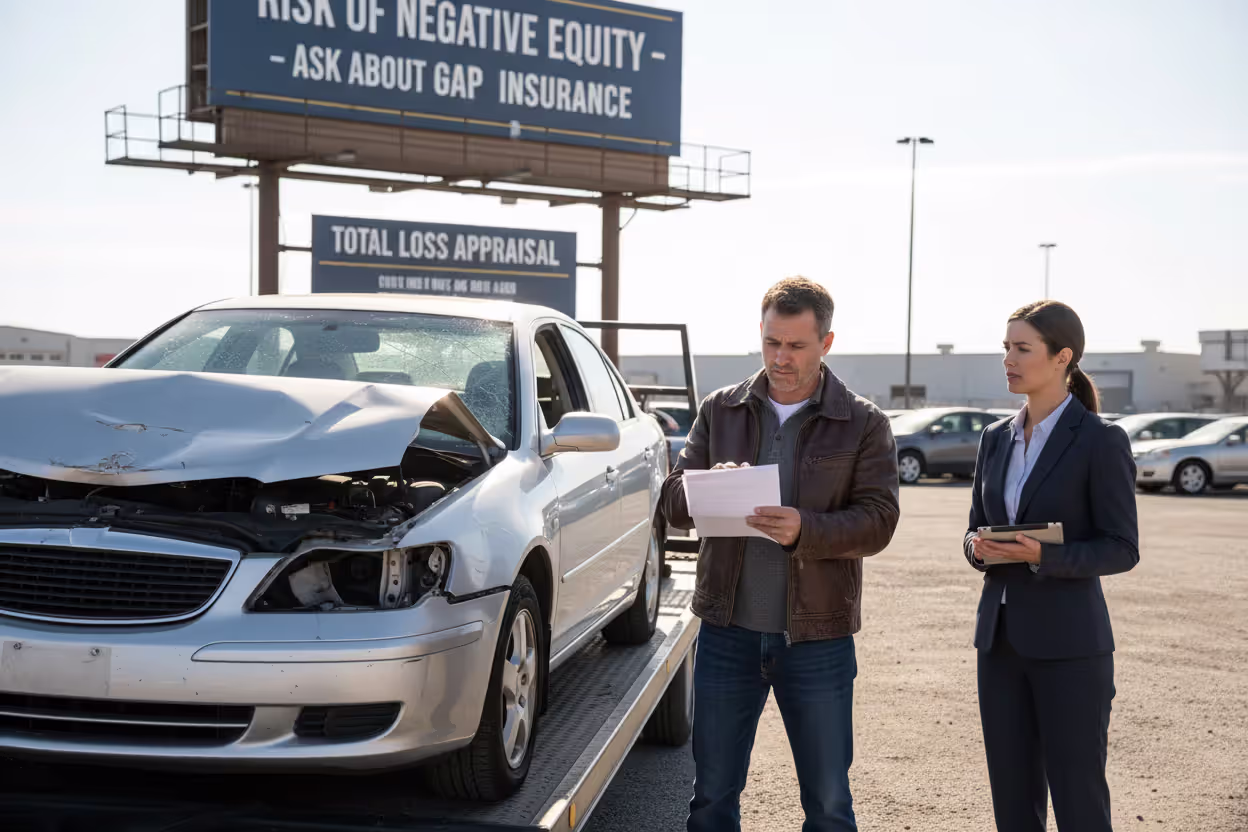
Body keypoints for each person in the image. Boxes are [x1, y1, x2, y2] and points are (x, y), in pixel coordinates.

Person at [661, 277, 900, 832]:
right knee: (711, 800)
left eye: (795, 345)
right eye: (772, 342)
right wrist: (707, 485)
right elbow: (672, 500)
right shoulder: (721, 409)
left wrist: (805, 529)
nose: (781, 358)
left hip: (818, 640)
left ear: (827, 343)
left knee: (828, 805)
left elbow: (879, 521)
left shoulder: (863, 422)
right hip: (726, 633)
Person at [965, 300, 1140, 832]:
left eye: (1023, 349)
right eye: (1006, 348)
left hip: (1072, 649)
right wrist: (979, 548)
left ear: (1063, 357)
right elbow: (975, 529)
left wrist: (1044, 555)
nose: (1009, 360)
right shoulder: (995, 438)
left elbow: (1121, 547)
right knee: (1013, 804)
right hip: (999, 644)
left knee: (1079, 798)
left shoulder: (1100, 440)